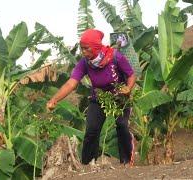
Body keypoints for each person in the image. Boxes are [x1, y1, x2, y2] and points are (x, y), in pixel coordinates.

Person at [46, 29, 136, 166]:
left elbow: (131, 75)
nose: (83, 52)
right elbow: (71, 83)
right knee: (91, 130)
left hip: (120, 97)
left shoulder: (116, 57)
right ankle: (87, 164)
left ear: (96, 47)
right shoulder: (84, 63)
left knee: (122, 125)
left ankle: (126, 161)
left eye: (86, 48)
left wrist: (128, 88)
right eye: (82, 49)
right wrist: (54, 99)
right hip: (99, 99)